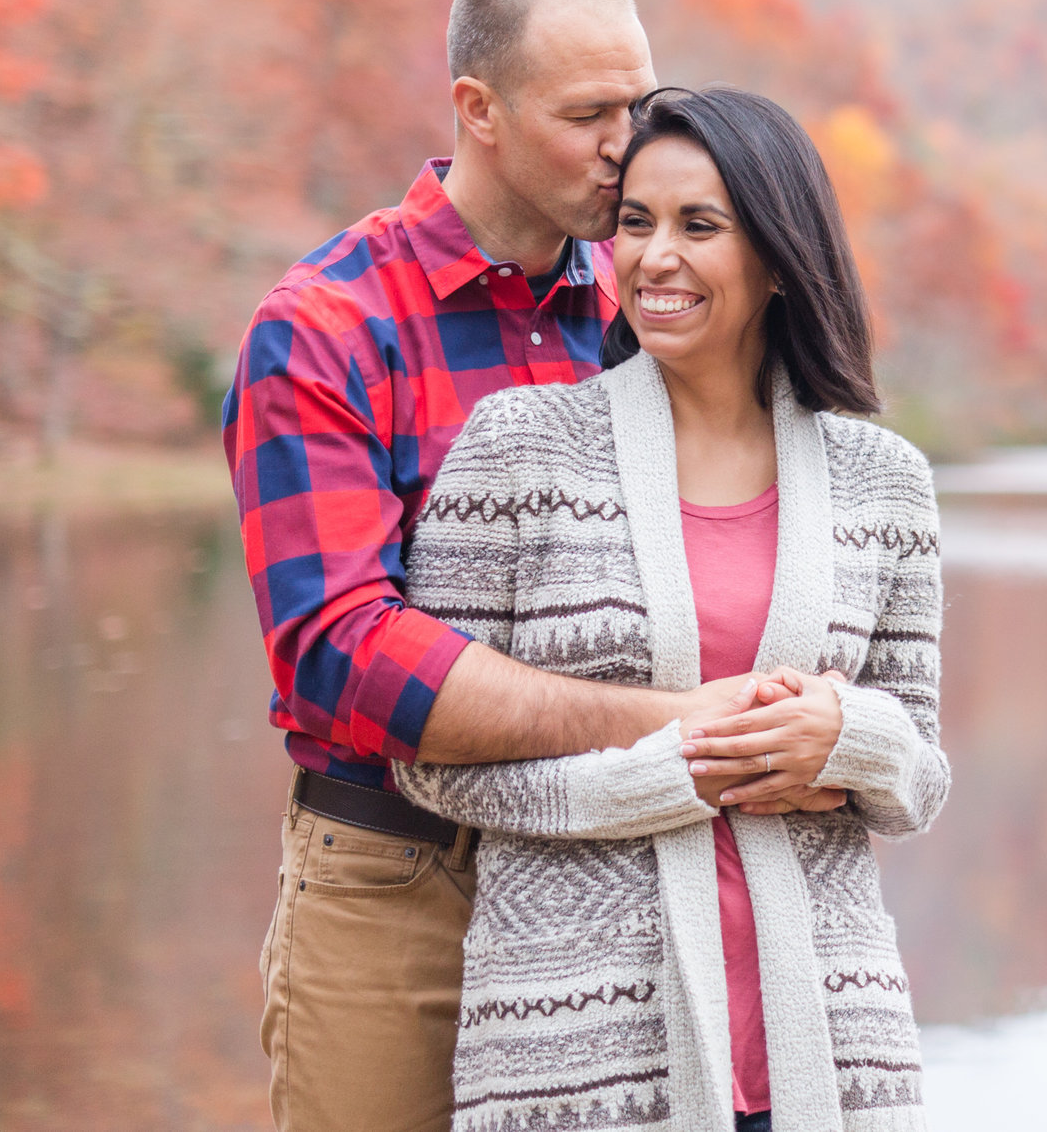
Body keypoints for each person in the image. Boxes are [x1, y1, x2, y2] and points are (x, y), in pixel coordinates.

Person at [226, 0, 827, 1132]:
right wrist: (674, 722)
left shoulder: (649, 298)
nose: (626, 143)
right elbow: (342, 654)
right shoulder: (326, 326)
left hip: (617, 859)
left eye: (639, 107)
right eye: (588, 115)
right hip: (402, 870)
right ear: (478, 111)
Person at [392, 85, 949, 1132]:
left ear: (780, 254)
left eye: (700, 226)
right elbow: (428, 759)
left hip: (832, 1048)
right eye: (635, 223)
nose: (655, 258)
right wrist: (673, 769)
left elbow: (919, 772)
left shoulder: (885, 481)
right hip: (578, 1052)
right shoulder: (519, 448)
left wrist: (851, 739)